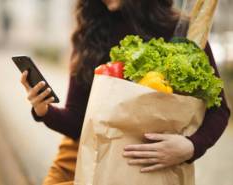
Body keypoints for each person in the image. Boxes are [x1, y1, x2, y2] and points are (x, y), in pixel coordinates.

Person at [20, 0, 231, 184]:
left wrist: (191, 147)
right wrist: (43, 110)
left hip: (154, 166)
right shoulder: (90, 32)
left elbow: (219, 109)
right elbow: (77, 121)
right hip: (82, 155)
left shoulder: (181, 31)